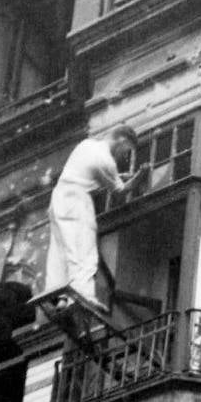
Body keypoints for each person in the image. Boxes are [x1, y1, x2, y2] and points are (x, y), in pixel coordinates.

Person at [42, 125, 147, 311]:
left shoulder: (86, 145)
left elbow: (90, 173)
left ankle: (58, 296)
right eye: (126, 150)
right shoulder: (106, 160)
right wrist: (140, 176)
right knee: (84, 248)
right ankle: (82, 295)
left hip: (59, 197)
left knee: (61, 249)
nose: (124, 156)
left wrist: (119, 176)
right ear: (122, 140)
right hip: (77, 201)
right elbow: (120, 191)